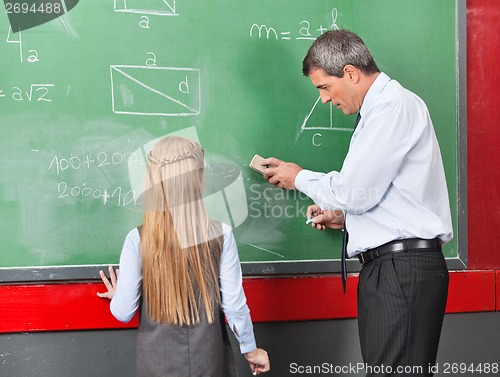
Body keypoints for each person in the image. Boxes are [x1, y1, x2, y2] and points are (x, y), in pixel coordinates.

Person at [262, 30, 452, 376]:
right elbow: (384, 196)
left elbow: (354, 191)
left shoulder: (391, 107)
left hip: (400, 271)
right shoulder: (387, 108)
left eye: (323, 87)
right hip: (397, 269)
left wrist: (298, 176)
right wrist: (346, 219)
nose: (323, 100)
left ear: (350, 73)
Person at [97, 136, 270, 377]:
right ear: (198, 180)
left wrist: (121, 294)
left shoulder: (137, 239)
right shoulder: (222, 236)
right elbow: (234, 306)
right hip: (208, 363)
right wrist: (251, 351)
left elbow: (124, 312)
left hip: (156, 366)